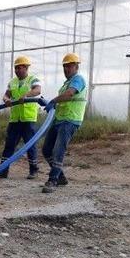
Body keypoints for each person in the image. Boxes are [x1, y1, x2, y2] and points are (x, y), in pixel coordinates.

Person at [42, 53, 87, 193]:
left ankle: (53, 180)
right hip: (59, 120)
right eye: (65, 66)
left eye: (69, 66)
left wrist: (54, 101)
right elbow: (64, 96)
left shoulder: (78, 79)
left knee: (58, 150)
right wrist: (54, 103)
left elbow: (70, 94)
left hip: (70, 120)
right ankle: (61, 177)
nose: (66, 68)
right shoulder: (66, 83)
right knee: (46, 149)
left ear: (76, 66)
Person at [0, 55, 41, 179]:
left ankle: (34, 170)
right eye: (15, 68)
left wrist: (26, 95)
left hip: (28, 119)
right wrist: (6, 100)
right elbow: (6, 95)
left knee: (30, 145)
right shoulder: (13, 82)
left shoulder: (33, 79)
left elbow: (37, 90)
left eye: (19, 68)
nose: (17, 70)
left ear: (26, 68)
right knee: (9, 145)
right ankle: (3, 170)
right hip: (15, 119)